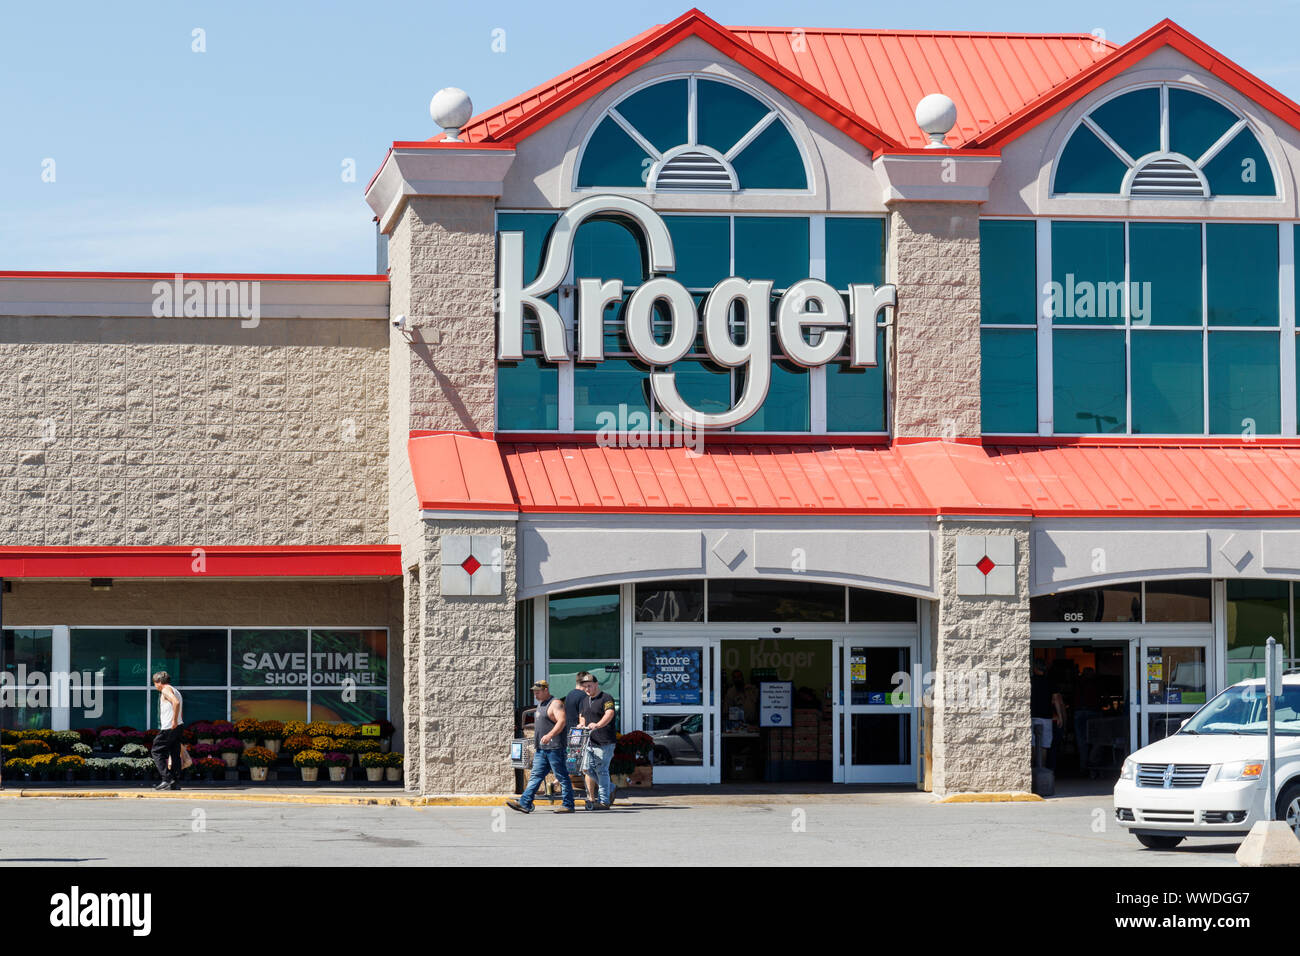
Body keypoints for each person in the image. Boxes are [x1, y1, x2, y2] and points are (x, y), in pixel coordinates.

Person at [507, 680, 575, 814]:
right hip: (542, 749)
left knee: (561, 776)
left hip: (555, 748)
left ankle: (568, 804)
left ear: (546, 690)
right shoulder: (541, 704)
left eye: (538, 692)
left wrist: (550, 735)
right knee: (535, 776)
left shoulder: (555, 704)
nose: (535, 695)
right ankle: (525, 803)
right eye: (534, 692)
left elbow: (561, 721)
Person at [577, 672, 617, 810]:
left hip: (604, 741)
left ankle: (604, 801)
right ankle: (610, 787)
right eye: (585, 687)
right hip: (589, 741)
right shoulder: (584, 700)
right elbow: (582, 715)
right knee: (586, 768)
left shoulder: (606, 698)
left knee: (602, 771)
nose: (587, 689)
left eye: (589, 686)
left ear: (596, 684)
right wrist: (581, 724)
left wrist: (598, 725)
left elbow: (609, 713)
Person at [150, 671, 184, 791]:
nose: (155, 686)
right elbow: (179, 706)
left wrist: (174, 720)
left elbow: (176, 702)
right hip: (178, 726)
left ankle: (166, 779)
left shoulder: (165, 690)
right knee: (174, 753)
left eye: (155, 683)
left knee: (156, 751)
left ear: (159, 682)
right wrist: (178, 721)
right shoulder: (175, 690)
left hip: (170, 727)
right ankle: (175, 781)